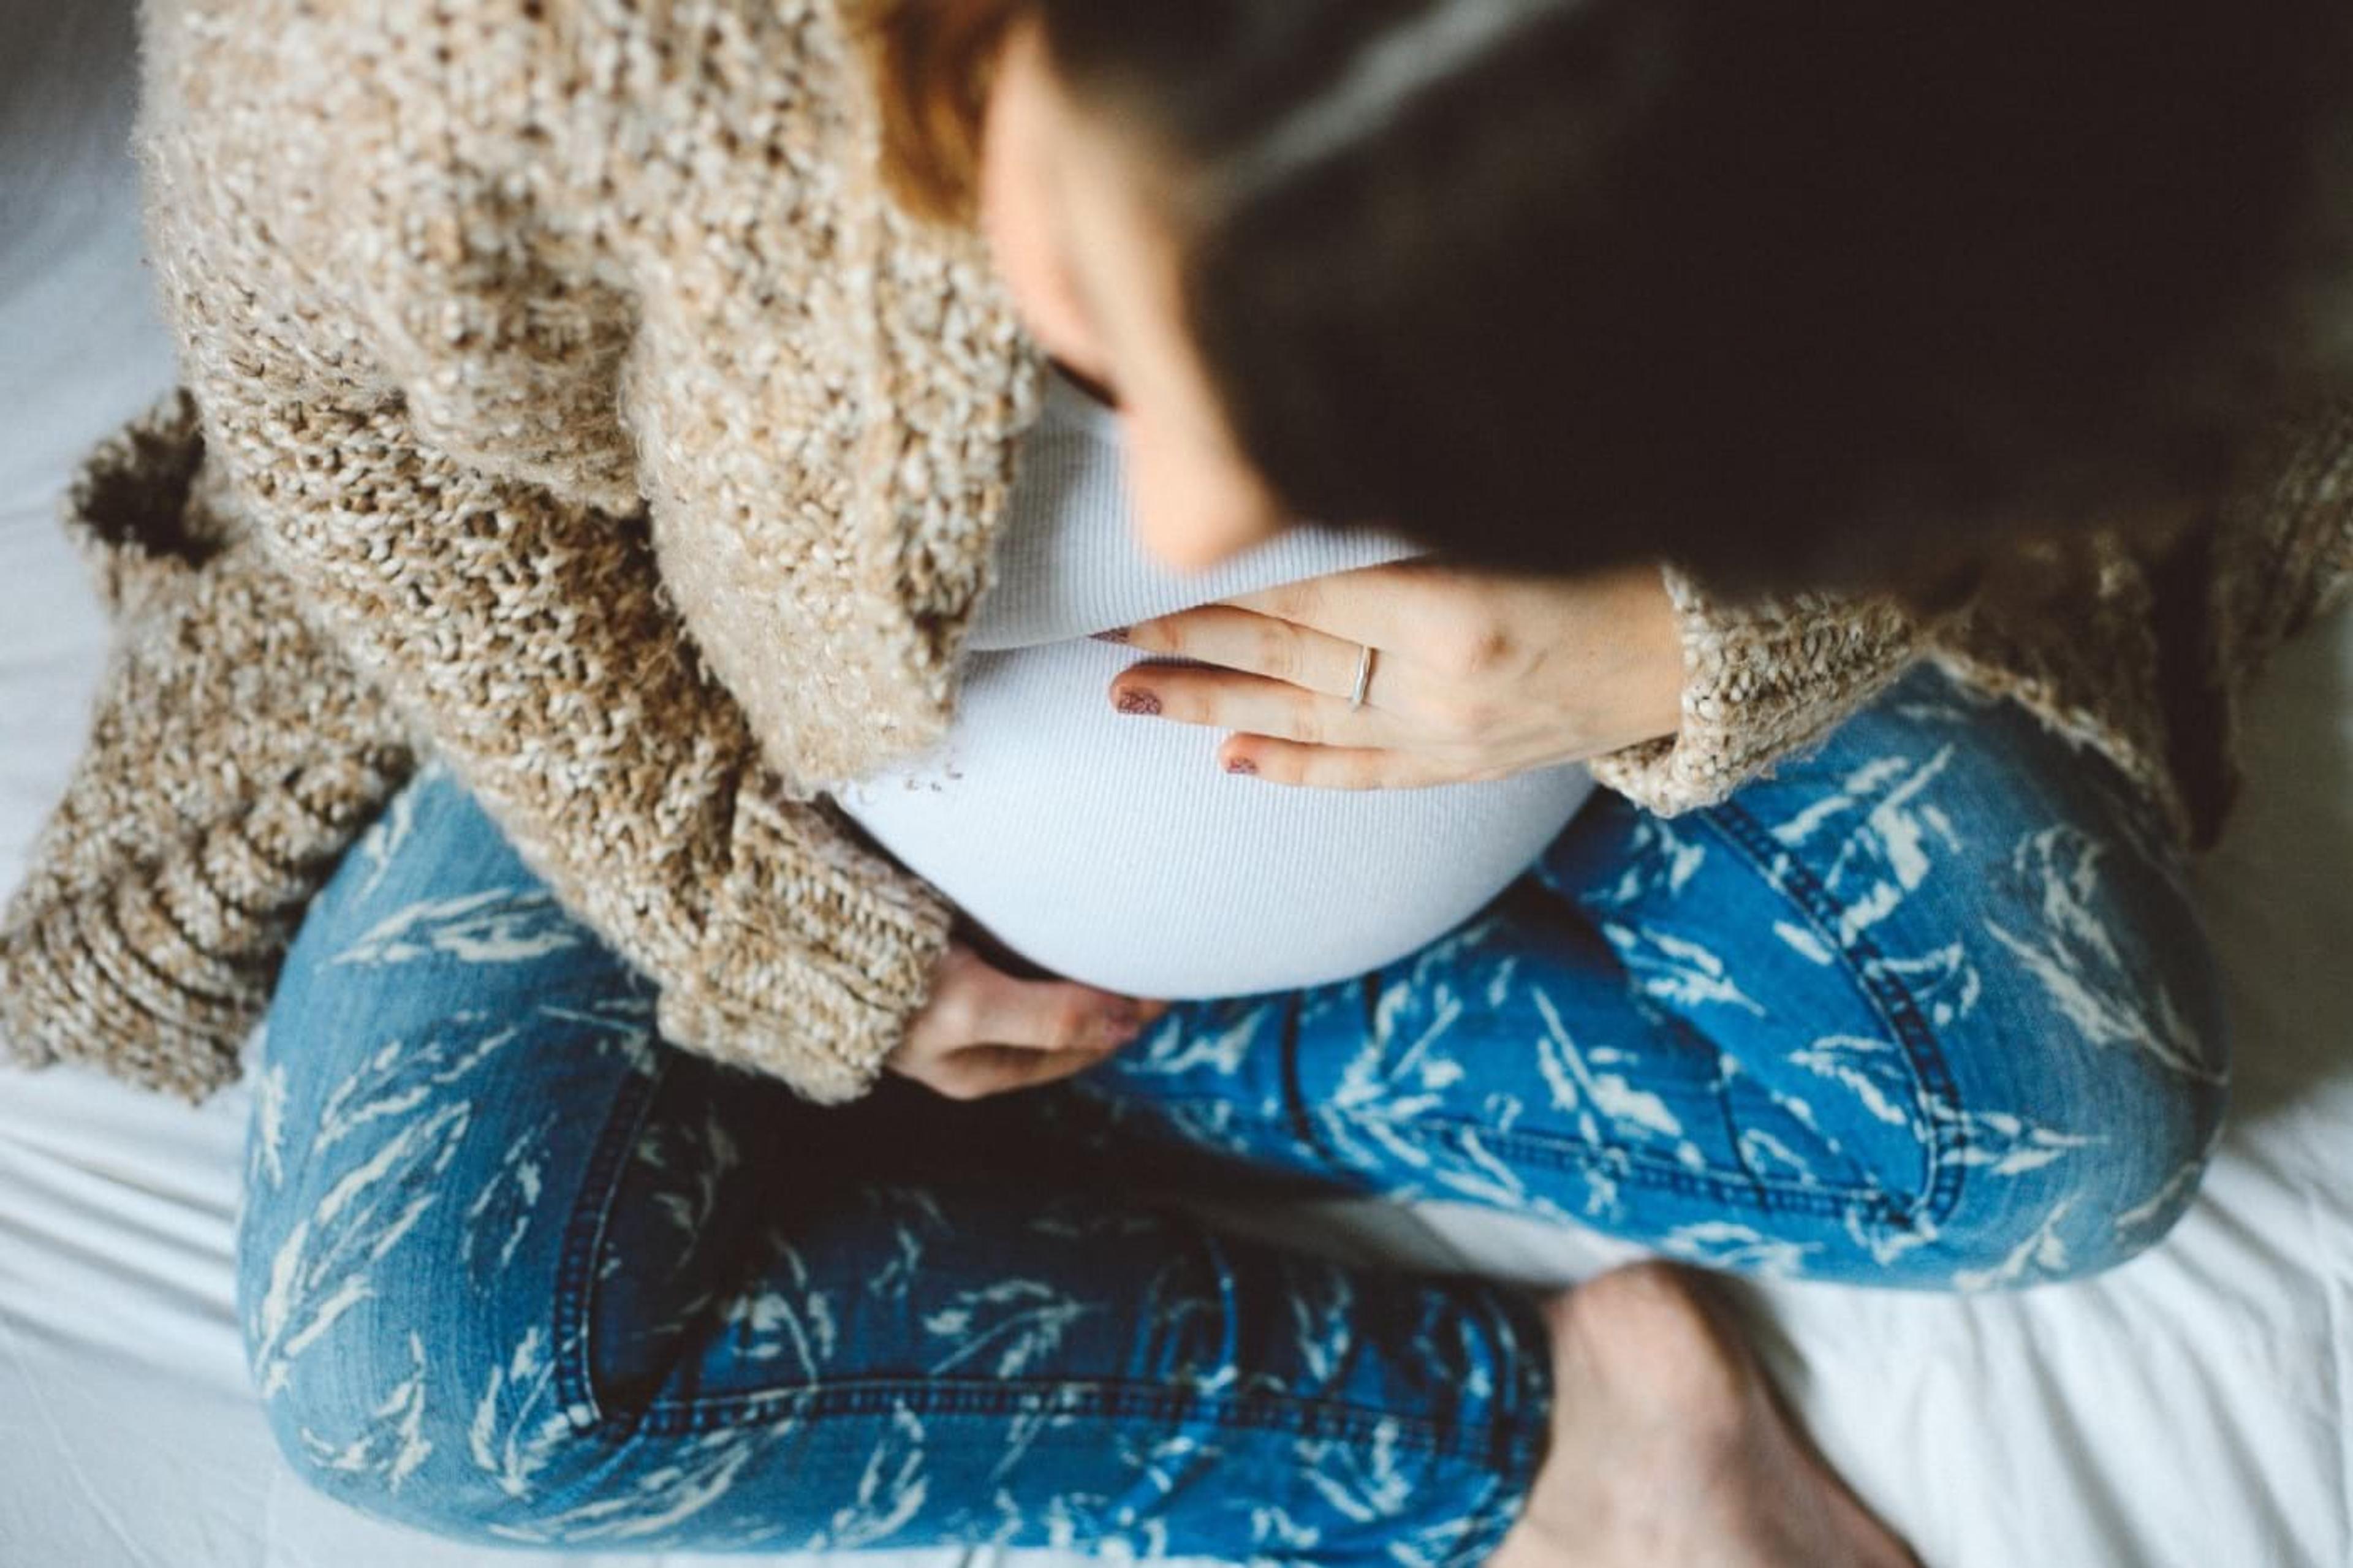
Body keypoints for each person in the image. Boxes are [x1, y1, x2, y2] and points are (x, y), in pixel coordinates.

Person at [8, 0, 2348, 1564]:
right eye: (1134, 337)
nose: (1210, 517)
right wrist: (740, 914)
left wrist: (1661, 633)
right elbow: (365, 459)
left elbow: (1925, 371)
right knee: (423, 1373)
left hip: (1553, 753)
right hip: (720, 730)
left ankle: (1045, 1081)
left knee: (2063, 1106)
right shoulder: (455, 61)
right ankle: (1523, 1450)